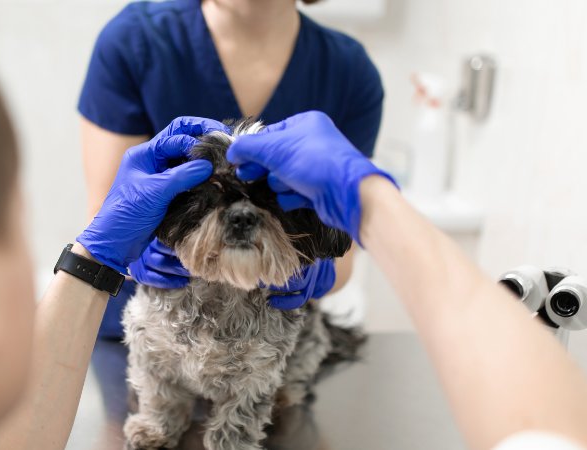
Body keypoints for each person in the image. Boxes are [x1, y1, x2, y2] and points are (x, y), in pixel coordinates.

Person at [0, 2, 587, 450]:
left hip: (268, 327)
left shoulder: (346, 69)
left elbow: (336, 263)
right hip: (150, 322)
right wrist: (383, 207)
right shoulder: (138, 39)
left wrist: (326, 261)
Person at [79, 0, 385, 337]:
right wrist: (134, 252)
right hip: (145, 327)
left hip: (268, 337)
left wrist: (320, 270)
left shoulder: (349, 72)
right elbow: (107, 212)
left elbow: (345, 248)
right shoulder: (135, 41)